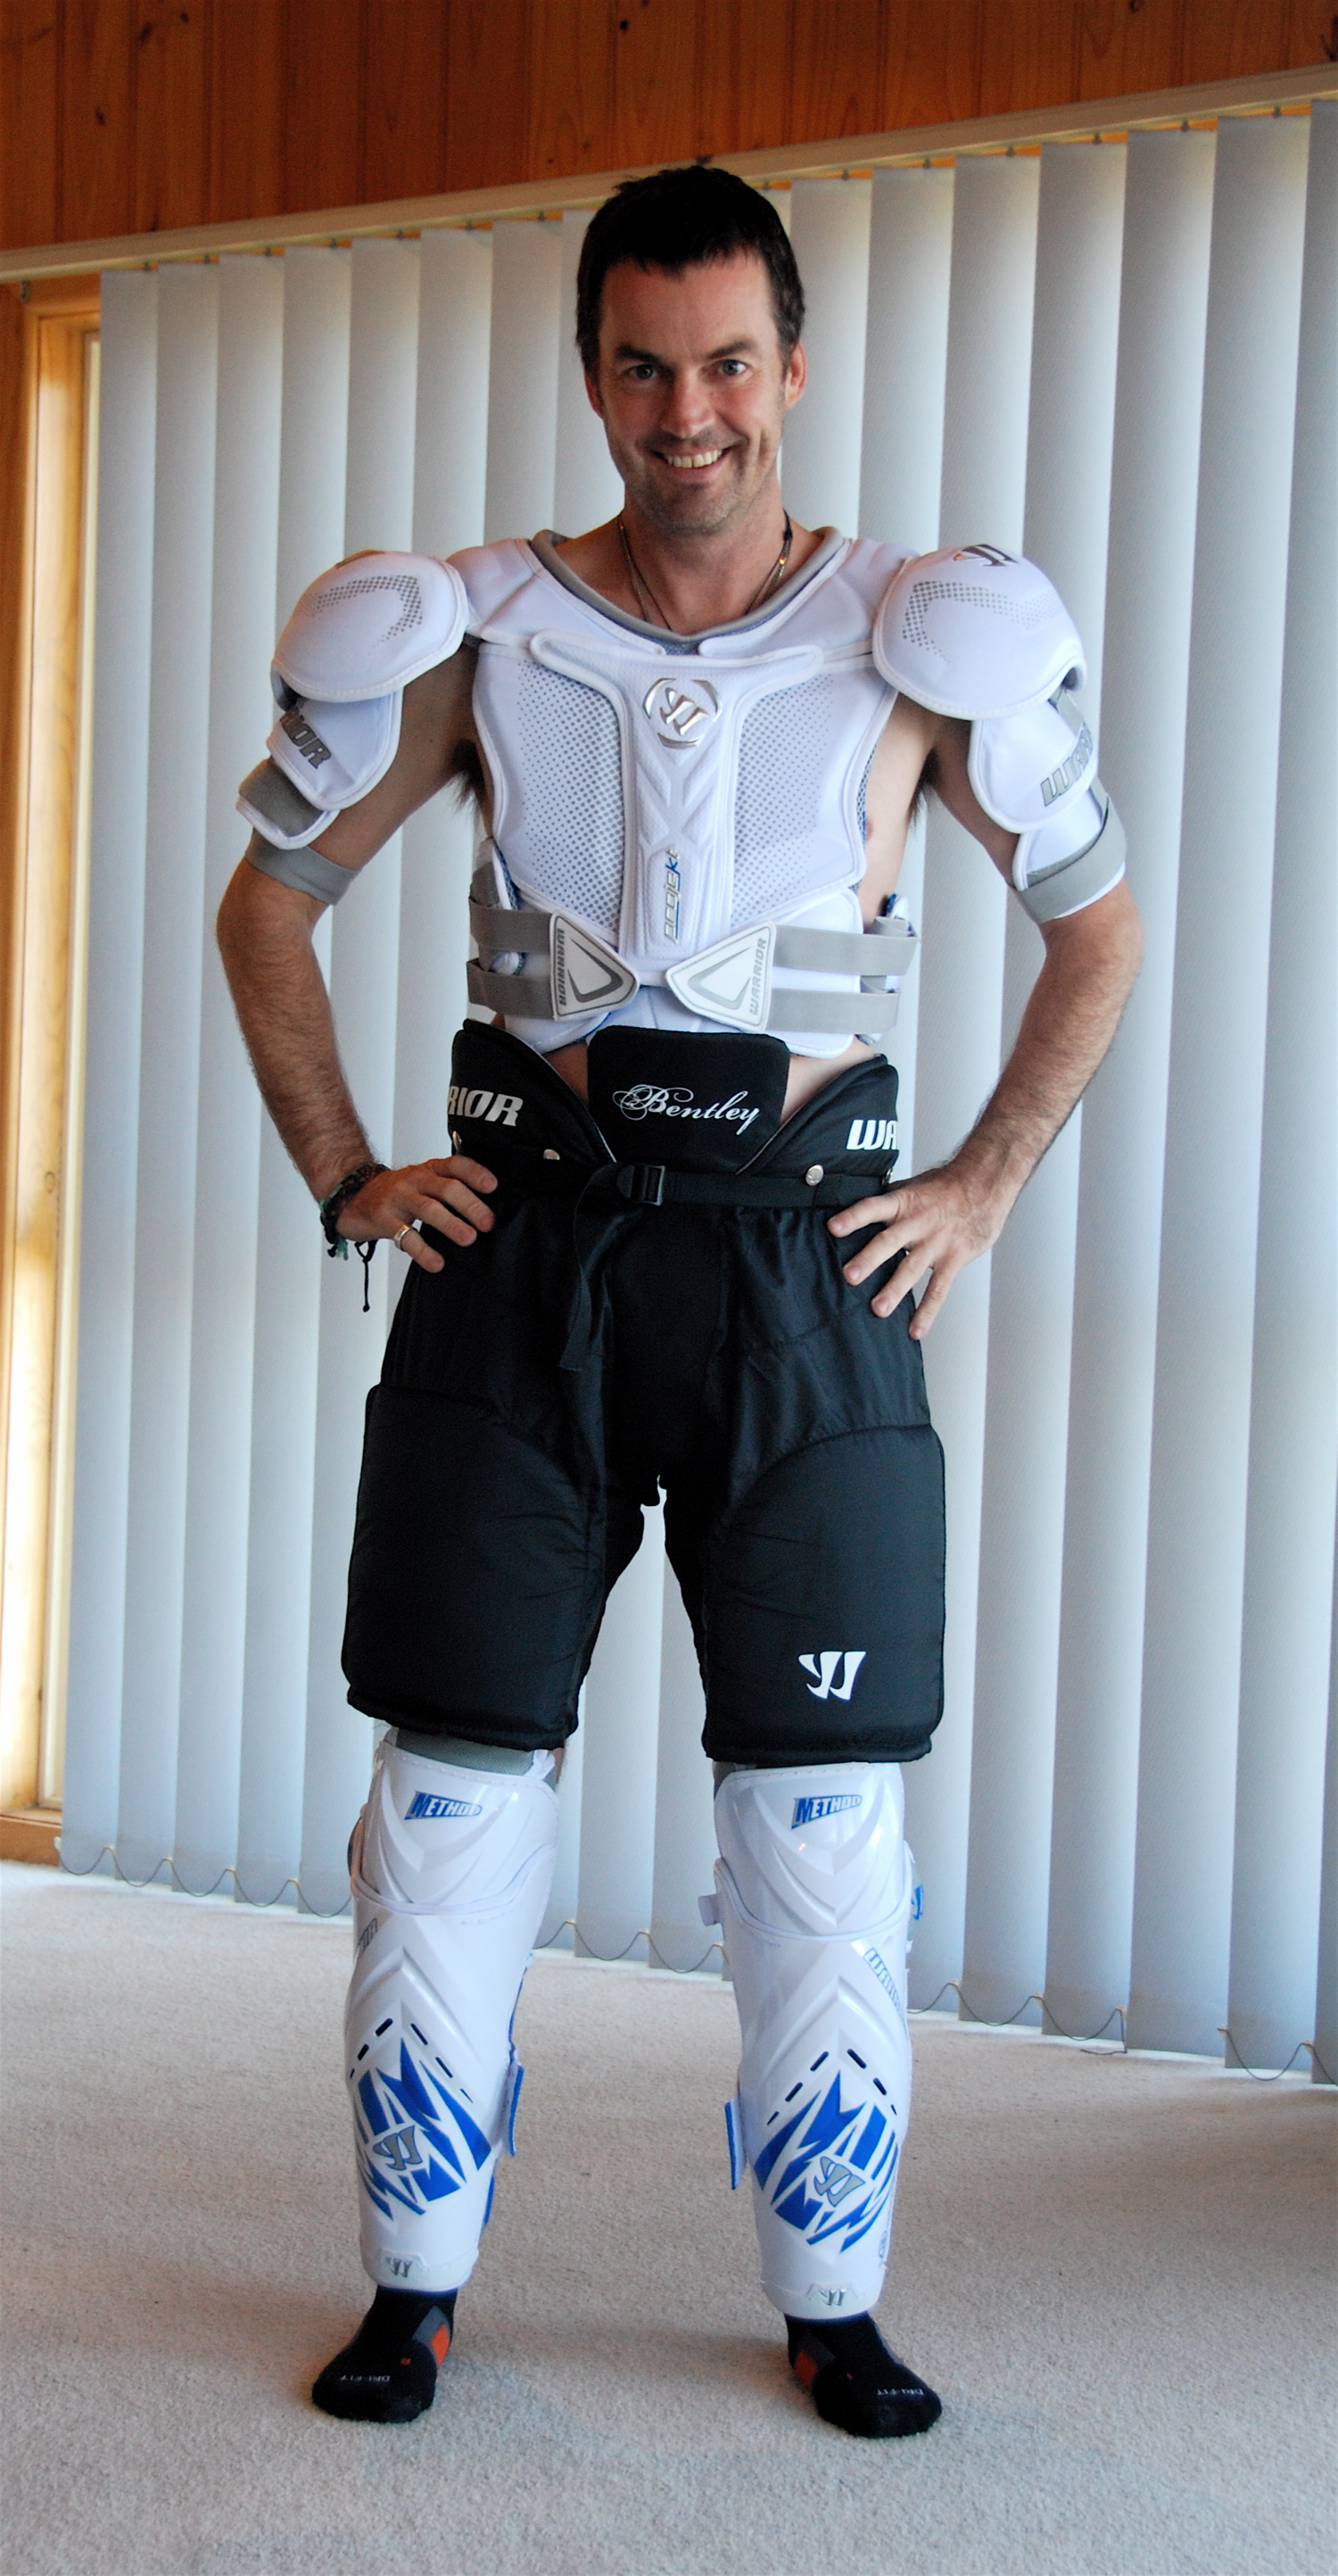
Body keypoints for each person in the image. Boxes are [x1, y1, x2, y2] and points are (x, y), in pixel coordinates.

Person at [218, 165, 1140, 2439]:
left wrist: (982, 1185)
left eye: (729, 363)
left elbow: (1099, 925)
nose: (688, 412)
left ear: (792, 368)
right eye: (644, 367)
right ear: (594, 377)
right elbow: (267, 905)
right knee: (450, 1808)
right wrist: (349, 1173)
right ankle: (414, 2292)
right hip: (523, 1260)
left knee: (822, 1835)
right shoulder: (475, 634)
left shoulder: (926, 635)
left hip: (800, 1274)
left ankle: (833, 2306)